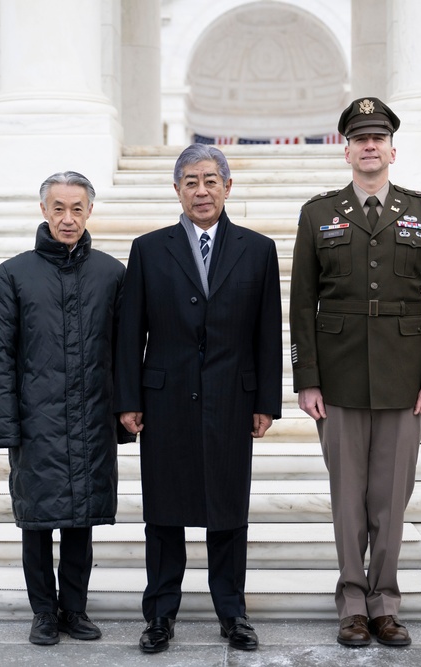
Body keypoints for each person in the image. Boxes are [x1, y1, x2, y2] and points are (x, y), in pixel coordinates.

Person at [289, 98, 421, 648]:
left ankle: (385, 603)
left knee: (390, 497)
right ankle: (352, 603)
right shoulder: (318, 214)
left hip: (405, 379)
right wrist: (306, 378)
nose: (369, 146)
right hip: (336, 379)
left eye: (378, 137)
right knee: (347, 498)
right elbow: (302, 302)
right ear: (346, 148)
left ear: (391, 148)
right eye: (360, 138)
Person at [114, 143, 283, 654]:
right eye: (191, 181)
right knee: (164, 513)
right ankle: (160, 615)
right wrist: (127, 398)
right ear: (177, 190)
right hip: (163, 401)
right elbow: (129, 333)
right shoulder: (148, 249)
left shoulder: (257, 249)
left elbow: (267, 332)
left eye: (211, 180)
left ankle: (232, 612)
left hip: (232, 399)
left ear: (227, 187)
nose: (201, 190)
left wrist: (267, 402)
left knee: (228, 511)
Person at [0, 171, 126, 645]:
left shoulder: (110, 273)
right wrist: (6, 427)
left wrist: (125, 415)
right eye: (59, 208)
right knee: (38, 523)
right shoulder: (14, 273)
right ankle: (44, 612)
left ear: (90, 212)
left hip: (92, 417)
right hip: (35, 422)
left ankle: (75, 609)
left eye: (77, 209)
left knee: (81, 520)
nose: (68, 218)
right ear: (44, 210)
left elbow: (126, 350)